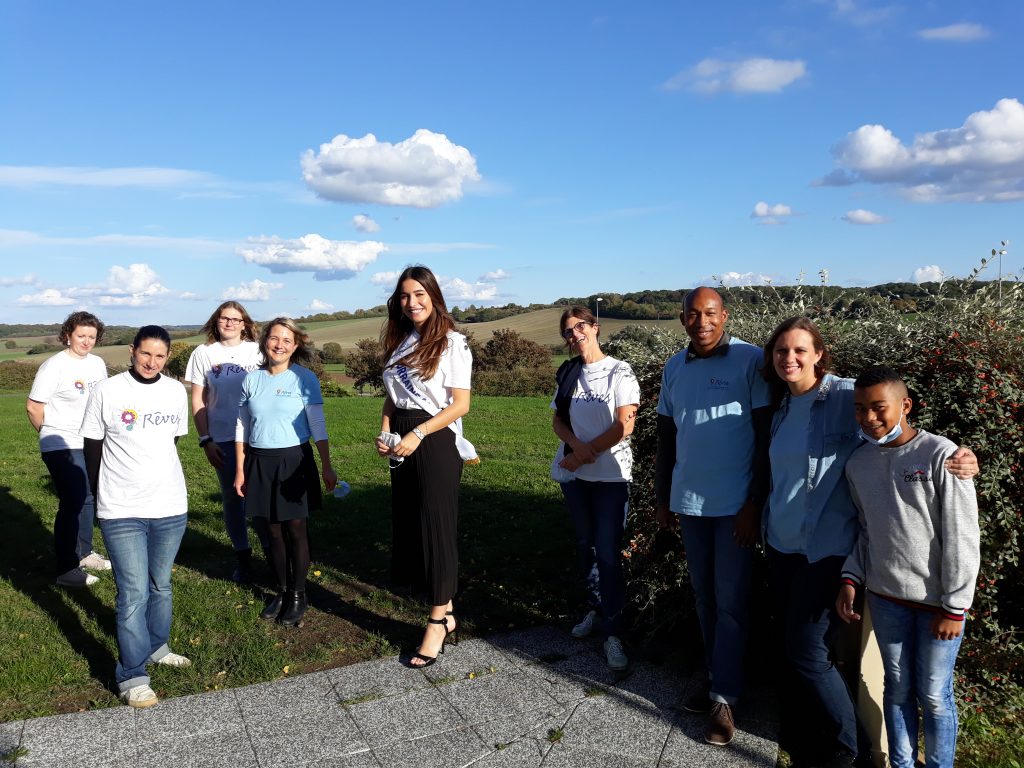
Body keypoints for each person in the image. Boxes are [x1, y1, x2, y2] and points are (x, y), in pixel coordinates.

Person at [762, 318, 978, 767]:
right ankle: (833, 743)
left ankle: (850, 750)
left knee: (812, 654)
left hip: (824, 549)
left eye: (800, 350)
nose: (790, 358)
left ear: (819, 353)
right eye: (781, 350)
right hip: (787, 547)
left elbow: (892, 412)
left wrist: (961, 454)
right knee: (890, 684)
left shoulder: (843, 394)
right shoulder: (781, 406)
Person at [838, 365, 980, 768]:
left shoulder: (942, 454)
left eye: (879, 407)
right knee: (896, 688)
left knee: (935, 695)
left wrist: (955, 605)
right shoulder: (858, 464)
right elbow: (866, 531)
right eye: (860, 408)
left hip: (939, 605)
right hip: (886, 599)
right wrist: (852, 577)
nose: (869, 417)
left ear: (906, 405)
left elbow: (963, 535)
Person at [654, 287, 773, 746]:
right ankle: (714, 673)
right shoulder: (674, 366)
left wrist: (753, 503)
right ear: (682, 319)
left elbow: (766, 438)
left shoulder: (751, 360)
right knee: (705, 597)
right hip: (690, 505)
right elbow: (667, 438)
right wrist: (663, 498)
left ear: (724, 316)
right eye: (692, 314)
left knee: (733, 602)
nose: (701, 322)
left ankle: (726, 696)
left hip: (734, 508)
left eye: (710, 313)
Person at [80, 325, 191, 708]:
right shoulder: (107, 390)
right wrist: (100, 495)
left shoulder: (176, 391)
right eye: (146, 354)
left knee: (160, 584)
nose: (152, 362)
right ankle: (131, 675)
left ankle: (157, 646)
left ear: (168, 358)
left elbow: (172, 440)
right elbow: (92, 445)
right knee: (133, 592)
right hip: (121, 508)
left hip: (170, 505)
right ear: (132, 351)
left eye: (160, 356)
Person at [376, 265, 472, 668]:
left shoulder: (453, 344)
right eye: (404, 296)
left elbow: (460, 404)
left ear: (433, 296)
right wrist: (386, 431)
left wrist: (417, 434)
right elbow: (393, 398)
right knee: (414, 526)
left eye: (419, 294)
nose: (412, 302)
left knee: (436, 527)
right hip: (403, 436)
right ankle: (445, 612)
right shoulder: (401, 342)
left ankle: (436, 622)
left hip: (433, 440)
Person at [551, 307, 640, 671]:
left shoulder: (621, 371)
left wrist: (587, 453)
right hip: (576, 476)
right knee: (585, 546)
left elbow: (625, 425)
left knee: (608, 552)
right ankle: (594, 608)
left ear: (595, 328)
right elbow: (557, 418)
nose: (574, 335)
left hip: (610, 478)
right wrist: (575, 448)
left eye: (580, 327)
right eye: (568, 331)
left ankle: (613, 631)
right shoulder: (568, 371)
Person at [234, 317, 336, 627]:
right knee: (272, 531)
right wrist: (240, 469)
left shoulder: (304, 378)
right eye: (274, 338)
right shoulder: (251, 380)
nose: (279, 344)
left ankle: (298, 593)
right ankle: (281, 589)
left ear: (295, 346)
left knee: (295, 529)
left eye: (287, 340)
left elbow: (317, 424)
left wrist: (326, 465)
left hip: (294, 460)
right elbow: (242, 425)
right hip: (259, 461)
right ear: (265, 341)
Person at [184, 301, 268, 583]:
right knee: (234, 498)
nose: (230, 323)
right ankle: (243, 558)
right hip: (223, 436)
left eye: (236, 319)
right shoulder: (204, 353)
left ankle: (272, 553)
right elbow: (198, 399)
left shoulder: (258, 350)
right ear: (215, 321)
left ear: (245, 323)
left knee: (262, 498)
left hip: (259, 434)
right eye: (224, 318)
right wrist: (206, 439)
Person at [27, 311, 110, 587]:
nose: (86, 342)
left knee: (87, 499)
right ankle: (66, 568)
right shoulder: (54, 366)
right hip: (61, 444)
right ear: (67, 335)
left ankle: (84, 553)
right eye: (81, 336)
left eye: (92, 337)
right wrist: (51, 435)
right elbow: (34, 406)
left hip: (89, 443)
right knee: (73, 500)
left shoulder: (97, 364)